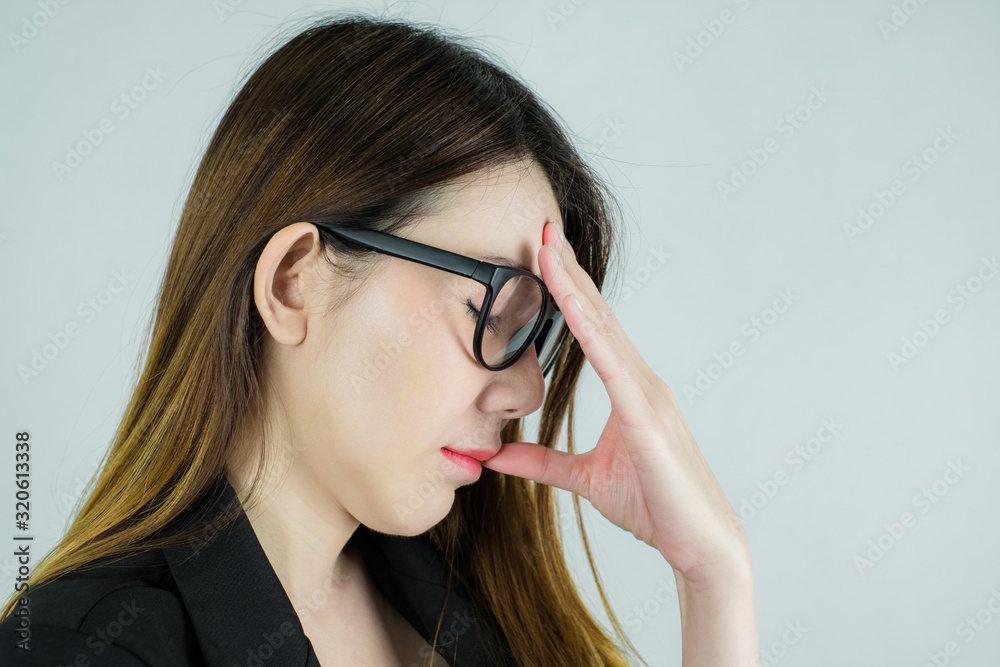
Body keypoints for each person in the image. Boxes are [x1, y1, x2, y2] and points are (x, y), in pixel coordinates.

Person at [0, 13, 759, 666]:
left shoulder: (473, 612)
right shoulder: (81, 647)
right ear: (294, 282)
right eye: (491, 308)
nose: (529, 387)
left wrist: (713, 576)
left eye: (536, 328)